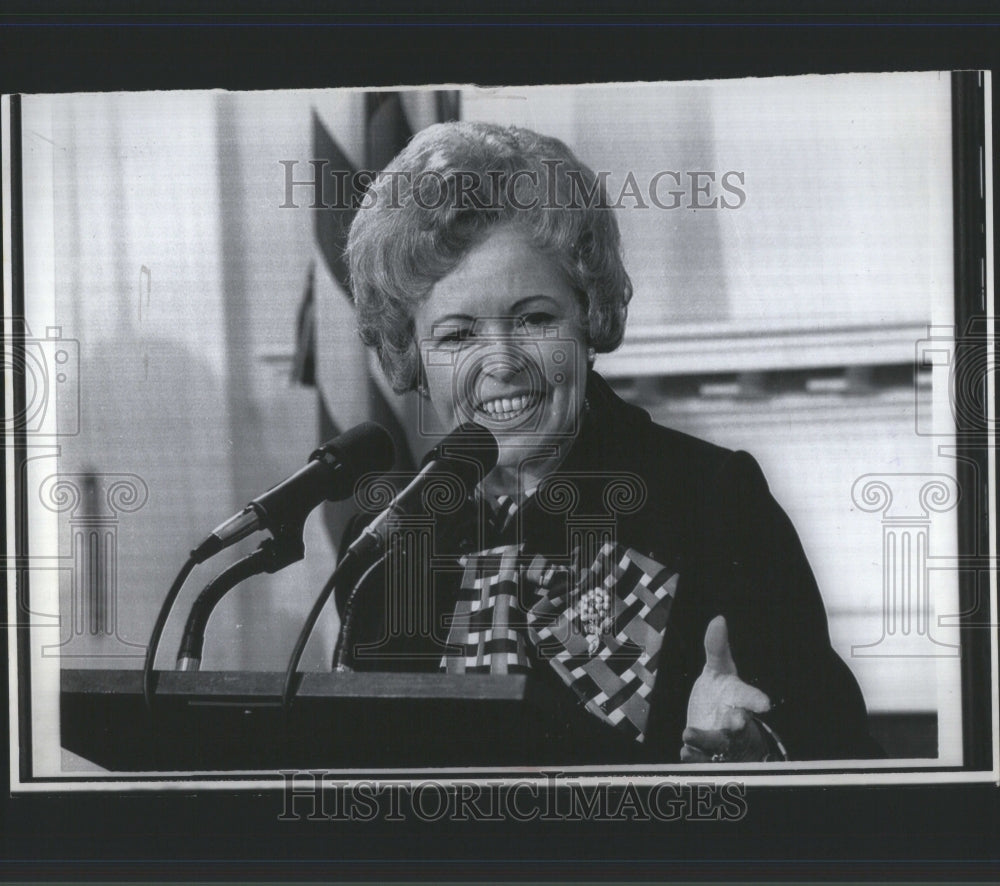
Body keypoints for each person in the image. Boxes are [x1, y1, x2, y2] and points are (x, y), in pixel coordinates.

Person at [339, 120, 881, 763]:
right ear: (412, 356)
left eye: (535, 319)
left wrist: (756, 747)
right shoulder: (389, 539)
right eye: (457, 335)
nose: (503, 363)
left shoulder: (714, 500)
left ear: (589, 317)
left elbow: (833, 743)